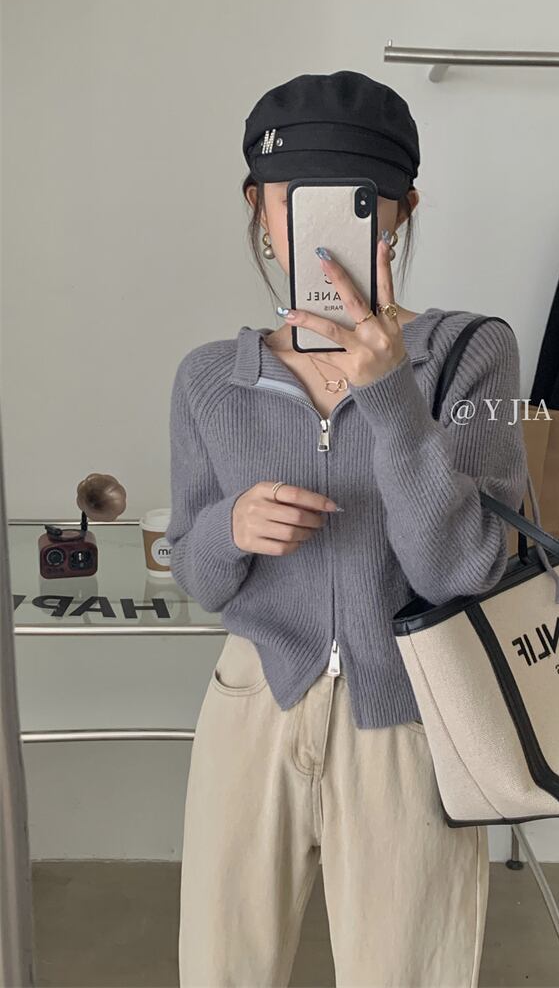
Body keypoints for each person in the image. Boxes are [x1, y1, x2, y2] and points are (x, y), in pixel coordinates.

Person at [167, 69, 529, 987]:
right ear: (258, 208)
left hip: (408, 717)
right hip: (254, 705)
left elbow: (465, 570)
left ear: (402, 213)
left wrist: (392, 394)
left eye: (357, 199)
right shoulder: (210, 378)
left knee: (406, 971)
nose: (321, 229)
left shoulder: (470, 353)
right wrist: (229, 527)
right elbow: (198, 577)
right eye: (295, 197)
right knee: (221, 968)